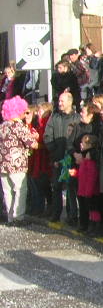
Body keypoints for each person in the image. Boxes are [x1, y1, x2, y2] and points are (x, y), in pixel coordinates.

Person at [0, 96, 39, 224]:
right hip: (17, 164)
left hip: (2, 164)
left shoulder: (3, 126)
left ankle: (10, 218)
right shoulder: (18, 126)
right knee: (20, 190)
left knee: (7, 191)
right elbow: (33, 144)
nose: (26, 113)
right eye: (25, 111)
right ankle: (18, 217)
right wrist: (35, 138)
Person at [43, 91, 76, 222]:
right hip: (57, 158)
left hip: (70, 159)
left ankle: (71, 215)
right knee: (56, 187)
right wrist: (54, 153)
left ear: (70, 102)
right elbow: (47, 136)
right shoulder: (54, 117)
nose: (59, 103)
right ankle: (56, 214)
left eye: (62, 101)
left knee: (70, 188)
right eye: (59, 101)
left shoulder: (76, 118)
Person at [73, 133, 103, 235]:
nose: (81, 145)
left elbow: (91, 176)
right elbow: (83, 174)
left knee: (93, 208)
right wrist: (76, 174)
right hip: (84, 188)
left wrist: (88, 191)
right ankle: (91, 226)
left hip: (90, 190)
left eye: (83, 143)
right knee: (89, 208)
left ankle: (96, 226)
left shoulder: (90, 158)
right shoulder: (86, 157)